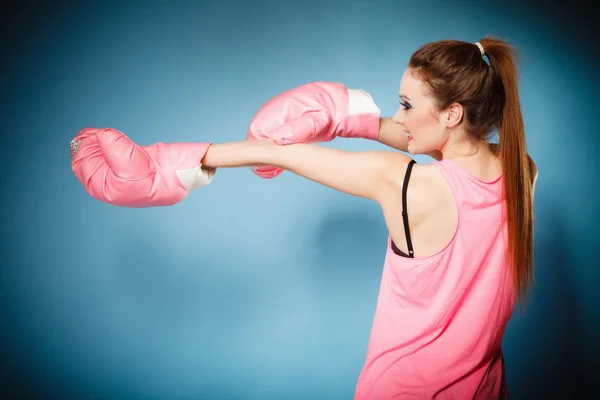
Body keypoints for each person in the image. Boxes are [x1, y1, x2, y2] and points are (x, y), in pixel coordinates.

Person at [70, 36, 538, 398]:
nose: (399, 116)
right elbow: (446, 146)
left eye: (407, 106)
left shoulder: (405, 182)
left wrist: (164, 163)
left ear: (453, 113)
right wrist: (352, 120)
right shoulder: (520, 171)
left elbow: (286, 155)